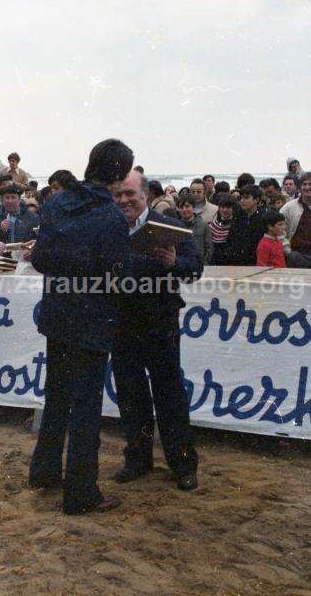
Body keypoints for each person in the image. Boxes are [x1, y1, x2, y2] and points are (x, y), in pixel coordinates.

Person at [28, 138, 133, 515]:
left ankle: (43, 472)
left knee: (56, 396)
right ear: (119, 174)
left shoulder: (56, 203)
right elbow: (116, 275)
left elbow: (39, 257)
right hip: (91, 319)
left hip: (58, 313)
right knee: (86, 405)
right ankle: (81, 492)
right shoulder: (111, 217)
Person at [111, 169, 203, 492]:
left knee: (170, 394)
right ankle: (137, 460)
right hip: (122, 325)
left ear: (146, 195)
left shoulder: (172, 227)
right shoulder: (111, 230)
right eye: (119, 194)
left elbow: (195, 270)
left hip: (160, 324)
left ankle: (182, 464)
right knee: (130, 395)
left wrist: (174, 262)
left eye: (130, 194)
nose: (124, 201)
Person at [225, 185, 265, 265]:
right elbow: (230, 240)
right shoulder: (237, 217)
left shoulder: (263, 219)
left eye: (246, 198)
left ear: (256, 200)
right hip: (236, 262)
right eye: (241, 198)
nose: (242, 201)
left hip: (256, 262)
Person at [280, 172, 311, 268]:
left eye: (310, 184)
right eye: (304, 184)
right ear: (299, 187)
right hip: (296, 256)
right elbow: (279, 231)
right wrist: (288, 252)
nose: (307, 187)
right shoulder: (288, 207)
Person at [177, 193, 213, 264]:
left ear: (193, 207)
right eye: (181, 207)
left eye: (187, 206)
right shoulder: (176, 225)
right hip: (180, 267)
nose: (184, 210)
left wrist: (204, 263)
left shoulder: (203, 225)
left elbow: (209, 248)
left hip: (199, 266)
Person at [209, 195, 235, 265]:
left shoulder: (236, 226)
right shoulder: (211, 225)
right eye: (223, 207)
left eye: (228, 207)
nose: (225, 210)